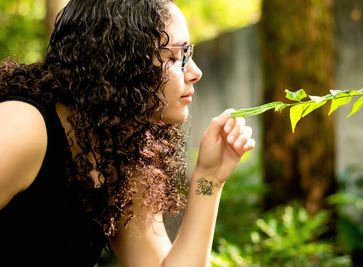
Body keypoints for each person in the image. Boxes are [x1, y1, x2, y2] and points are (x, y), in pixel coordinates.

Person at [0, 0, 255, 266]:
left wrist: (210, 179)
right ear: (121, 61)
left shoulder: (119, 154)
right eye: (175, 57)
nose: (195, 72)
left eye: (188, 54)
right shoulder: (23, 126)